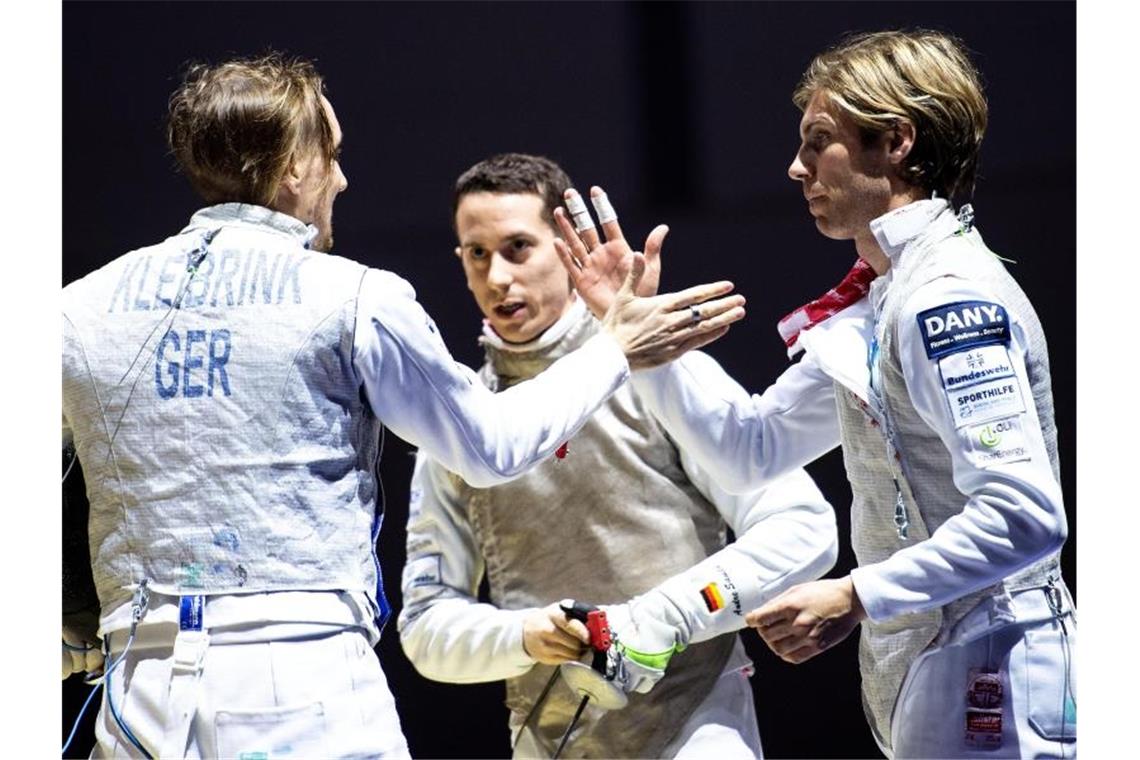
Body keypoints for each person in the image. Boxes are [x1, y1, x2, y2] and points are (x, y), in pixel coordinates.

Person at [61, 54, 744, 758]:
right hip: (300, 684)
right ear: (295, 167)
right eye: (333, 155)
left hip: (136, 688)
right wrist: (615, 346)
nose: (344, 179)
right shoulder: (353, 295)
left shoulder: (76, 309)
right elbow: (490, 449)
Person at [554, 30, 1076, 759]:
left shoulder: (944, 297)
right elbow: (750, 448)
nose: (796, 168)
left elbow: (1025, 516)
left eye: (820, 141)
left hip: (996, 672)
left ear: (896, 140)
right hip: (941, 663)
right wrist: (643, 346)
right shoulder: (885, 299)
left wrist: (855, 594)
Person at [397, 152, 837, 758]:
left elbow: (802, 528)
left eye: (518, 247)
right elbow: (425, 627)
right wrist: (525, 633)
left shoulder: (656, 374)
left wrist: (663, 617)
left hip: (698, 715)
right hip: (550, 734)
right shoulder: (465, 427)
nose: (497, 277)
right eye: (478, 253)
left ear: (567, 248)